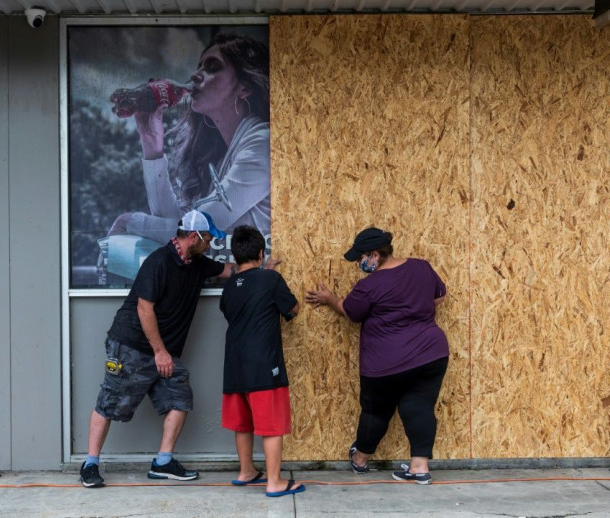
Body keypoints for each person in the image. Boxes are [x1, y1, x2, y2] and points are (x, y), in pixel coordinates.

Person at [80, 209, 236, 488]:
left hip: (163, 353)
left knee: (179, 398)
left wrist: (259, 268)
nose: (211, 243)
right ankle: (90, 464)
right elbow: (144, 308)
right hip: (132, 345)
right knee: (110, 401)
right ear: (193, 236)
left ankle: (163, 462)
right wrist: (160, 352)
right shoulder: (159, 262)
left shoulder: (197, 263)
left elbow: (228, 271)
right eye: (209, 238)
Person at [304, 227, 449, 485]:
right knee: (419, 405)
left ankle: (359, 460)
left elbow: (350, 312)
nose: (359, 263)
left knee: (376, 412)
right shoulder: (421, 267)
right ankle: (419, 468)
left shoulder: (368, 286)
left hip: (386, 362)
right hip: (430, 354)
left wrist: (328, 298)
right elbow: (439, 297)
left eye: (361, 257)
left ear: (374, 254)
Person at [108, 32, 270, 247]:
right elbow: (175, 226)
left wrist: (129, 222)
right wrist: (152, 147)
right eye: (199, 66)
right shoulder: (224, 158)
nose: (195, 75)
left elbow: (196, 231)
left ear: (245, 87)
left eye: (212, 67)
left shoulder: (262, 144)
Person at [219, 226, 305, 498]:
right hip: (264, 364)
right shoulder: (270, 280)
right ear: (260, 251)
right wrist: (269, 273)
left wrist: (264, 271)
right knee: (272, 425)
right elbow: (291, 308)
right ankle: (275, 482)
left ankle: (246, 472)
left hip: (234, 365)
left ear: (235, 255)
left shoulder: (230, 285)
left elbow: (236, 305)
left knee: (242, 422)